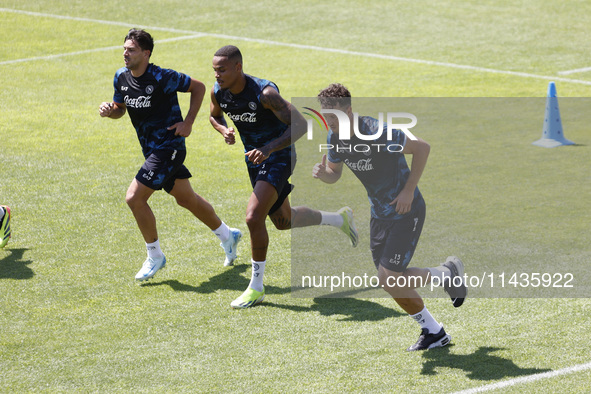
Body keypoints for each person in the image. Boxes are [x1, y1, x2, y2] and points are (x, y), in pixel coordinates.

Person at [312, 83, 467, 351]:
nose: (330, 122)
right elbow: (334, 172)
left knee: (389, 279)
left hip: (407, 210)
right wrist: (325, 175)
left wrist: (408, 191)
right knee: (391, 282)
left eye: (334, 116)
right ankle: (434, 326)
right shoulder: (334, 137)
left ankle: (445, 280)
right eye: (326, 117)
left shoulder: (378, 132)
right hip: (380, 214)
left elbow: (422, 148)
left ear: (348, 111)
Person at [209, 45, 358, 309]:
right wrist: (223, 131)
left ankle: (256, 287)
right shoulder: (219, 92)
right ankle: (339, 219)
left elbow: (301, 124)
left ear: (238, 68)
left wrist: (268, 149)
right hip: (255, 159)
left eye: (222, 70)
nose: (217, 75)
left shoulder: (265, 94)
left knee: (253, 216)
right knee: (282, 221)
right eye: (214, 70)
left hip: (279, 156)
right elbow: (214, 116)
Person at [99, 29, 241, 281]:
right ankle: (228, 236)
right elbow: (121, 108)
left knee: (134, 198)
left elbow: (198, 87)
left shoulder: (162, 77)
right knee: (186, 199)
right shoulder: (121, 77)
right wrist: (111, 110)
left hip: (170, 147)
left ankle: (155, 255)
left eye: (131, 50)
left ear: (146, 53)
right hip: (151, 150)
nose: (125, 53)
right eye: (124, 49)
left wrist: (188, 123)